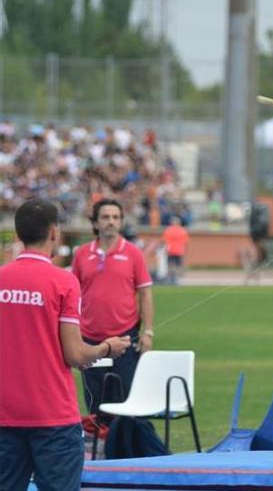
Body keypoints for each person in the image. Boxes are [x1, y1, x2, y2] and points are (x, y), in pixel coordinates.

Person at [1, 199, 129, 491]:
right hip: (52, 416)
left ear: (19, 235)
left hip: (5, 415)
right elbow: (75, 354)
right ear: (54, 233)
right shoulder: (63, 282)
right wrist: (107, 348)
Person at [72, 199, 153, 416]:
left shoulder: (133, 253)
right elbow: (72, 295)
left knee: (125, 399)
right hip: (89, 338)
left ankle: (124, 447)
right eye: (106, 217)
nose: (111, 222)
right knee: (95, 401)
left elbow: (145, 293)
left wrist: (148, 331)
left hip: (125, 338)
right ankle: (98, 448)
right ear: (96, 223)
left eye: (116, 217)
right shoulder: (81, 254)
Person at [162, 216, 190, 284]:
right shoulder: (183, 231)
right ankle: (179, 277)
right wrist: (185, 250)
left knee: (170, 264)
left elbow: (164, 241)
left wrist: (165, 249)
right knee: (179, 265)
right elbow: (186, 242)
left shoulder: (168, 230)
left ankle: (171, 277)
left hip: (170, 250)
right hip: (180, 250)